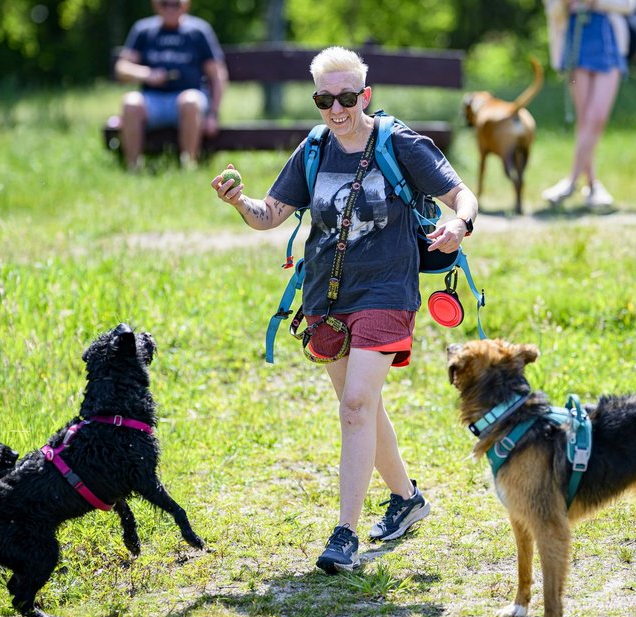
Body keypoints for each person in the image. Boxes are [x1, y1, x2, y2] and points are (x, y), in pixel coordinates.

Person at [210, 47, 479, 574]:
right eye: (325, 99)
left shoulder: (397, 142)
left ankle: (344, 535)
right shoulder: (313, 149)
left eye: (347, 97)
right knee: (364, 406)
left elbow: (460, 193)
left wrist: (459, 225)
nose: (337, 109)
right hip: (325, 298)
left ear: (366, 95)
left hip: (386, 289)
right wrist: (240, 202)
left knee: (355, 404)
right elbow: (270, 215)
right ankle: (406, 499)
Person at [542, 0, 636, 208]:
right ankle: (593, 185)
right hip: (576, 39)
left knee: (597, 117)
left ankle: (571, 182)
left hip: (609, 39)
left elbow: (630, 5)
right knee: (585, 119)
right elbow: (554, 10)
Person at [114, 0, 228, 171]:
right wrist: (147, 74)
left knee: (189, 100)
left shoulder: (198, 31)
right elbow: (122, 68)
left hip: (189, 100)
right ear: (155, 4)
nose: (170, 8)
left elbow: (217, 74)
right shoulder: (143, 30)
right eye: (164, 4)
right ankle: (133, 168)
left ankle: (188, 166)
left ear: (186, 5)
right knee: (130, 102)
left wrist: (213, 114)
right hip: (152, 100)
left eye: (176, 4)